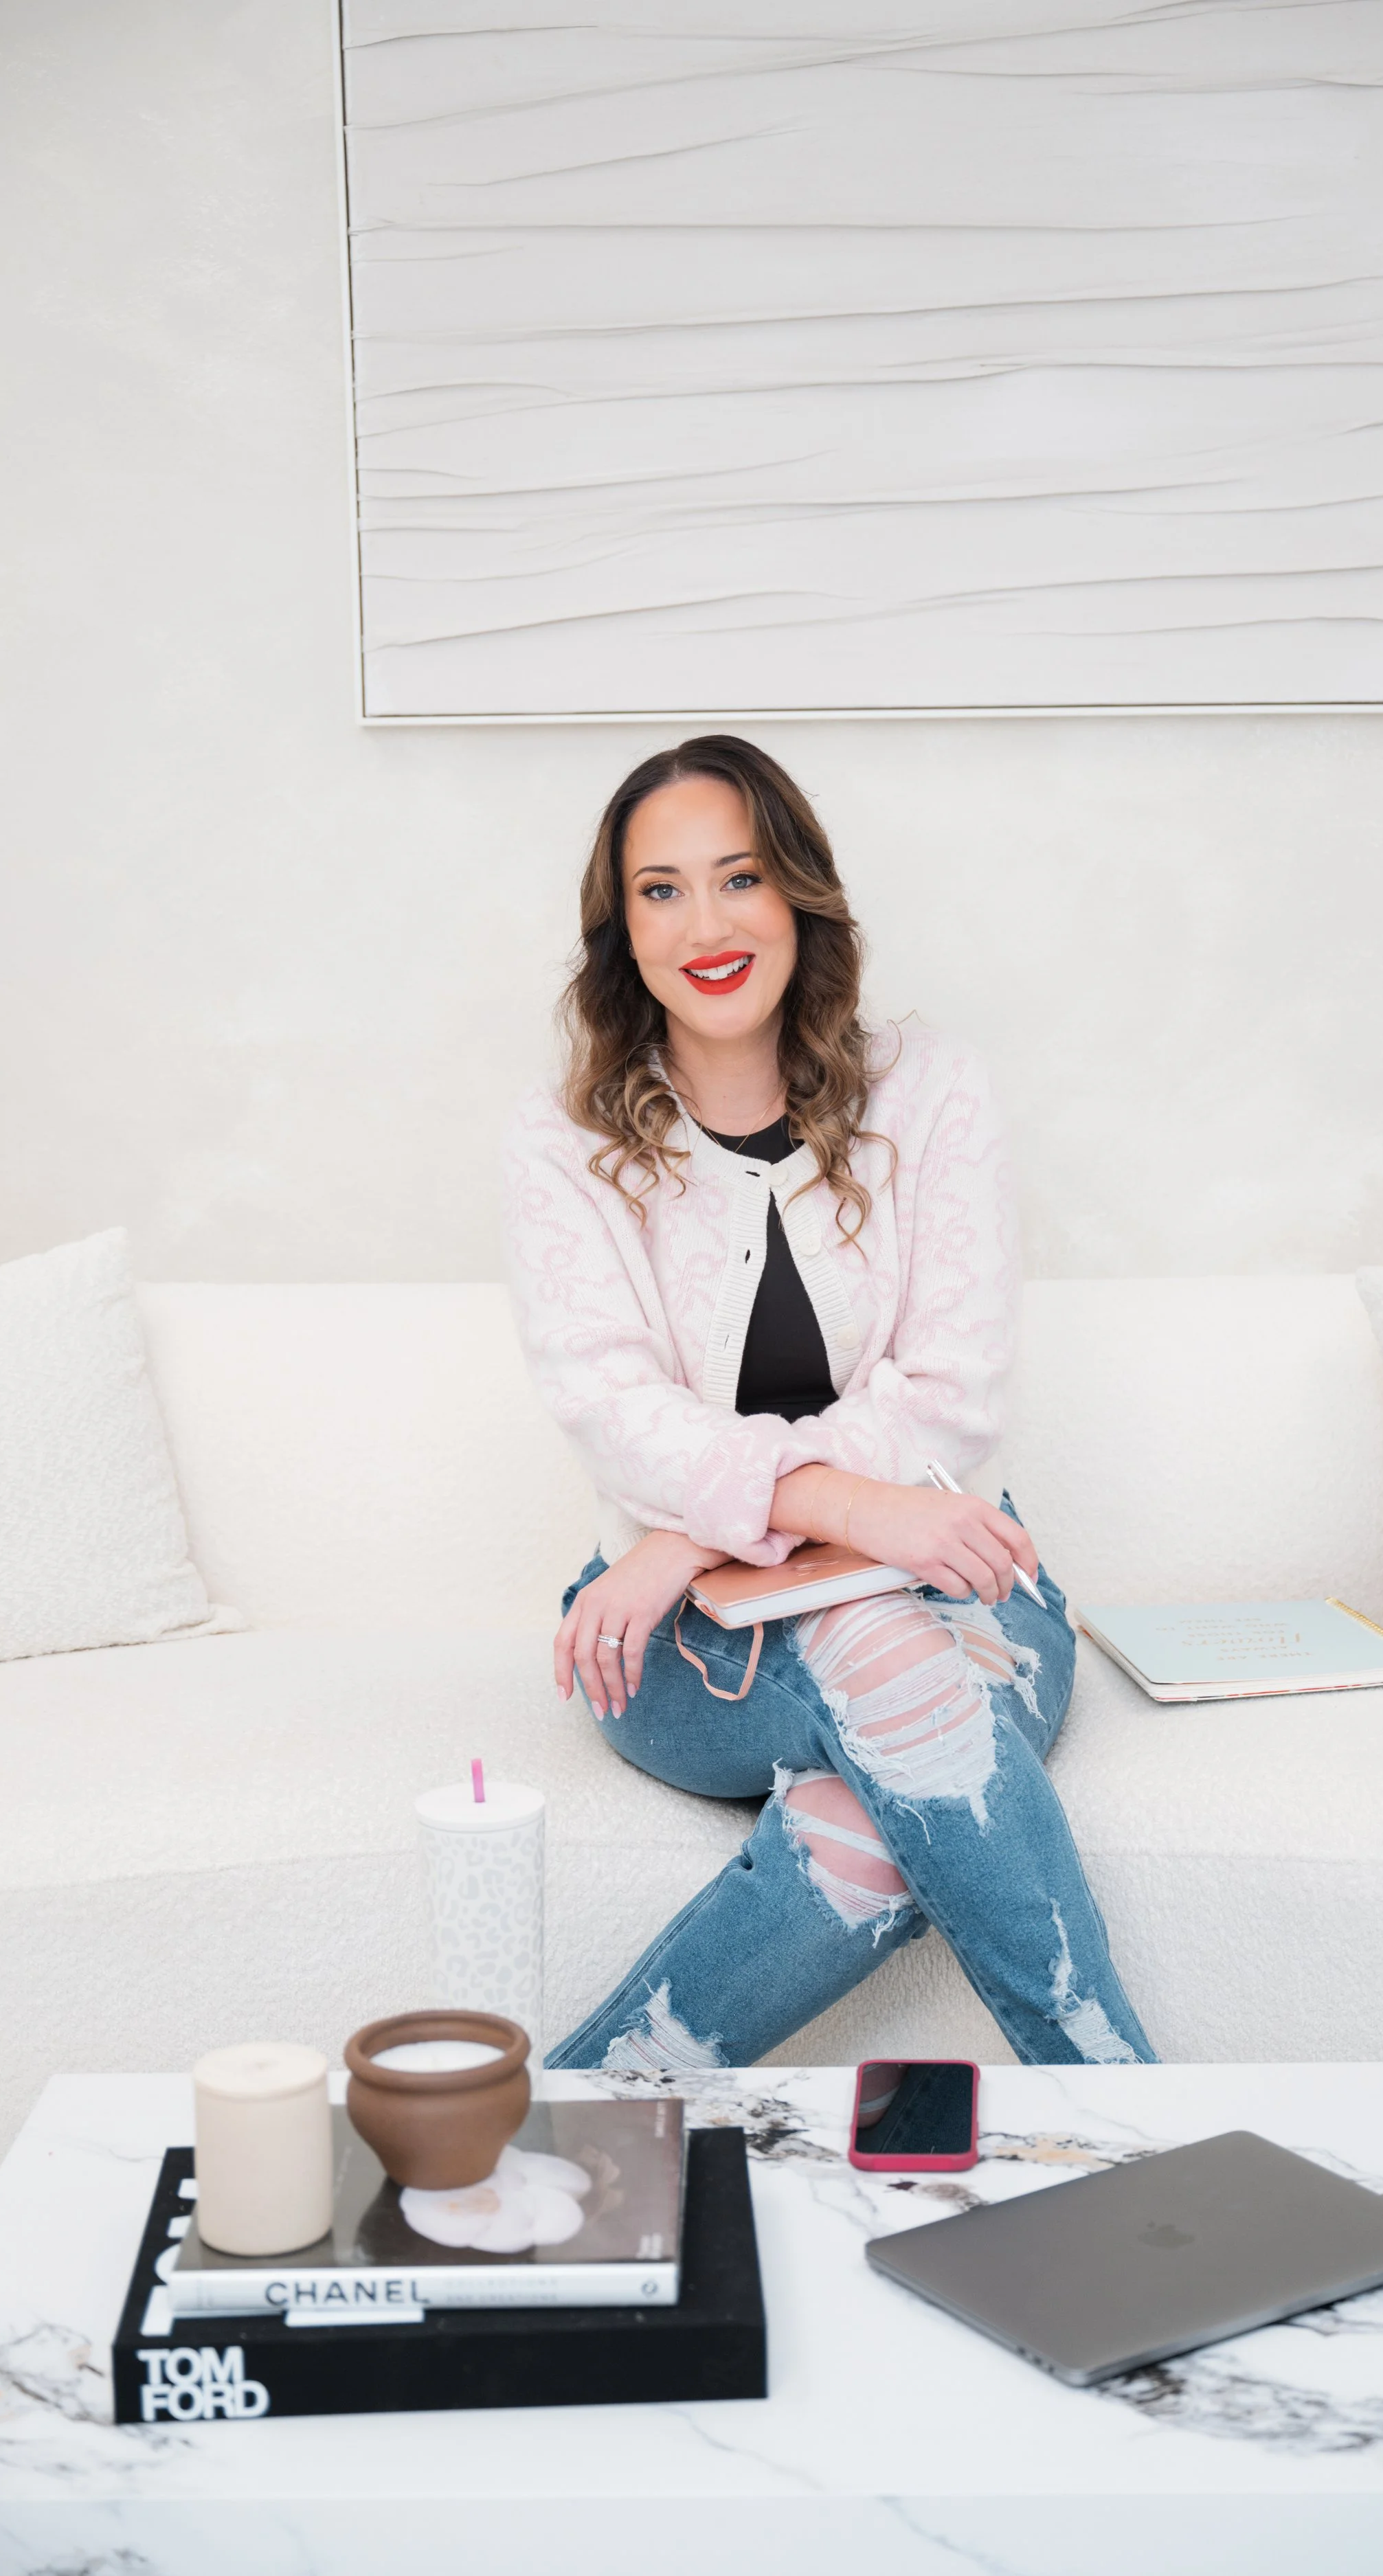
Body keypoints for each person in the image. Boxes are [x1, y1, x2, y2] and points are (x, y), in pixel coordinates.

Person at [502, 736, 1154, 2075]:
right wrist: (840, 1512)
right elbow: (616, 1408)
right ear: (619, 931)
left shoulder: (933, 1090)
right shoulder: (558, 1142)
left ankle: (549, 2141)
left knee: (865, 1827)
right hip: (681, 1645)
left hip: (955, 1584)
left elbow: (952, 1390)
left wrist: (699, 1523)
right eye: (660, 891)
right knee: (878, 1632)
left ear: (796, 892)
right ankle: (1139, 2132)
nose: (707, 923)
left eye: (738, 877)